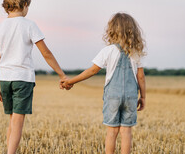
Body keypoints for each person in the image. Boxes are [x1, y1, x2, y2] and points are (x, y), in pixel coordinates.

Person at [0, 0, 68, 154]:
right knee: (18, 121)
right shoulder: (29, 25)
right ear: (25, 4)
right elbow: (46, 53)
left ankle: (8, 150)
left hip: (4, 79)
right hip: (22, 79)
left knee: (12, 120)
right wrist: (62, 74)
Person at [62, 12, 146, 154]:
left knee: (112, 132)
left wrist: (71, 81)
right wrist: (143, 97)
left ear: (112, 30)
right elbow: (141, 77)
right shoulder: (135, 52)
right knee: (126, 131)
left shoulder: (108, 51)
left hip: (113, 96)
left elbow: (92, 71)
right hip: (131, 96)